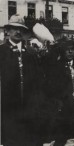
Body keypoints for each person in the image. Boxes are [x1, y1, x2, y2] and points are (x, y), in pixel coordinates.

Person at [0, 14, 44, 146]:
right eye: (14, 28)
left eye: (21, 29)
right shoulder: (1, 52)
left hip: (30, 112)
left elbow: (38, 81)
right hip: (9, 111)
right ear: (7, 31)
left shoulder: (30, 53)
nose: (18, 31)